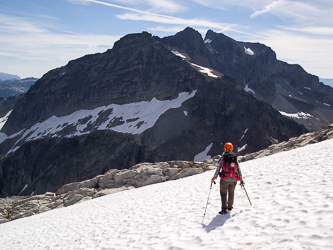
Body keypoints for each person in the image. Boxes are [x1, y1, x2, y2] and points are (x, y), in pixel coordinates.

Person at [211, 142, 244, 214]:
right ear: (232, 148)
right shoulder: (235, 158)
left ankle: (224, 209)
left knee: (223, 194)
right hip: (234, 179)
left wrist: (214, 177)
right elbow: (238, 169)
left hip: (224, 179)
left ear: (225, 149)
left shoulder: (223, 158)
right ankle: (230, 207)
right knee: (231, 193)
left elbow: (218, 169)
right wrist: (241, 179)